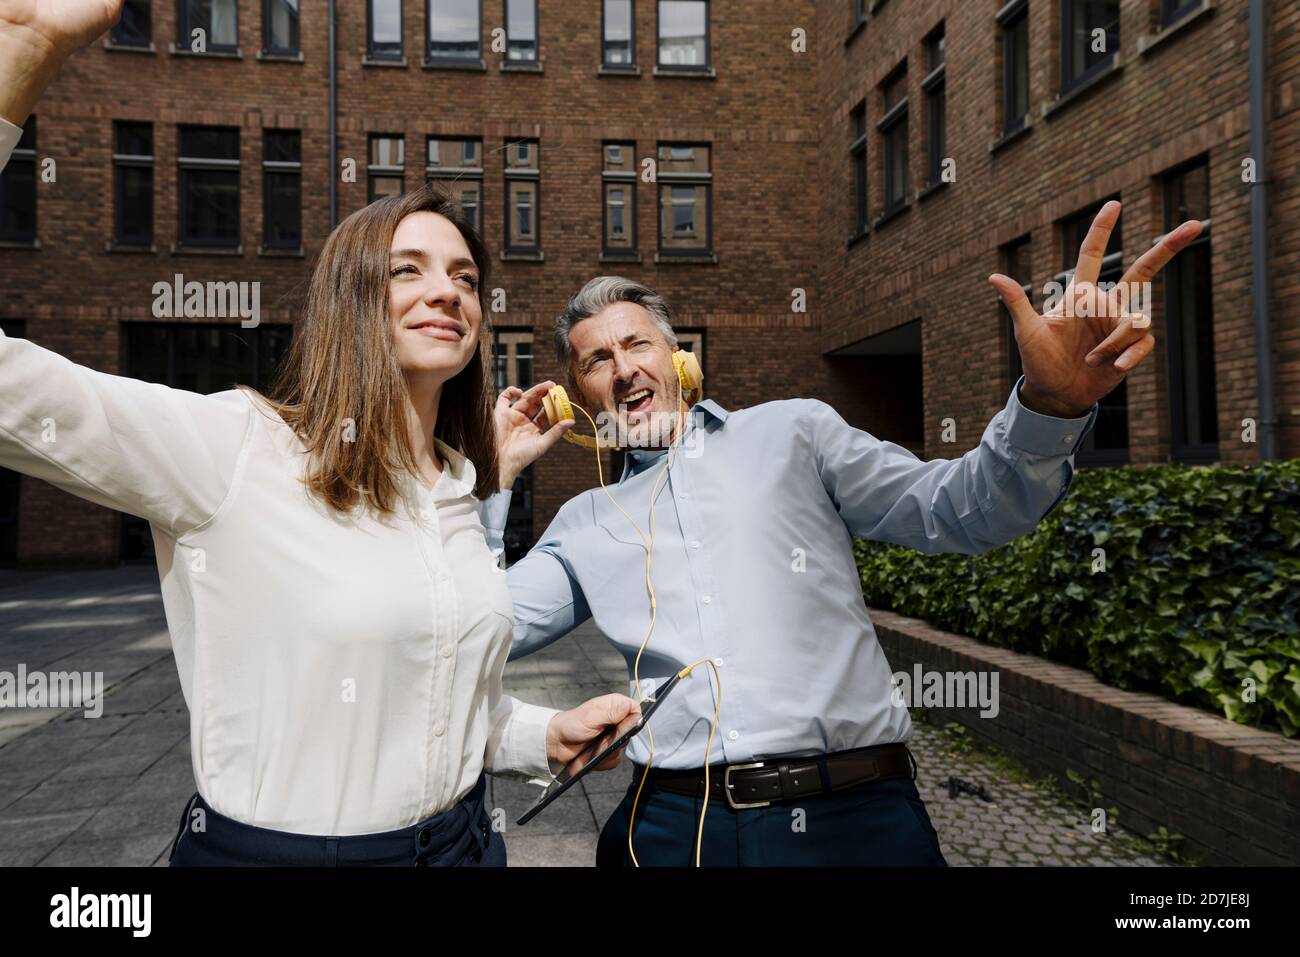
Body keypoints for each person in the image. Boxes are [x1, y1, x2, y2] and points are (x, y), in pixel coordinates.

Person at [0, 0, 640, 867]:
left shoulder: (455, 488)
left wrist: (542, 735)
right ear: (350, 300)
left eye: (462, 275)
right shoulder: (233, 451)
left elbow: (440, 695)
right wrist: (26, 49)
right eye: (405, 270)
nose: (447, 290)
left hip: (461, 847)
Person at [489, 205, 1202, 866]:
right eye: (596, 360)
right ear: (579, 395)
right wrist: (489, 486)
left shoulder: (795, 431)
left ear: (680, 360)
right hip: (676, 824)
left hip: (855, 812)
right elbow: (464, 626)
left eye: (636, 344)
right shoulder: (584, 522)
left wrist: (1049, 404)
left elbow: (959, 509)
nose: (623, 369)